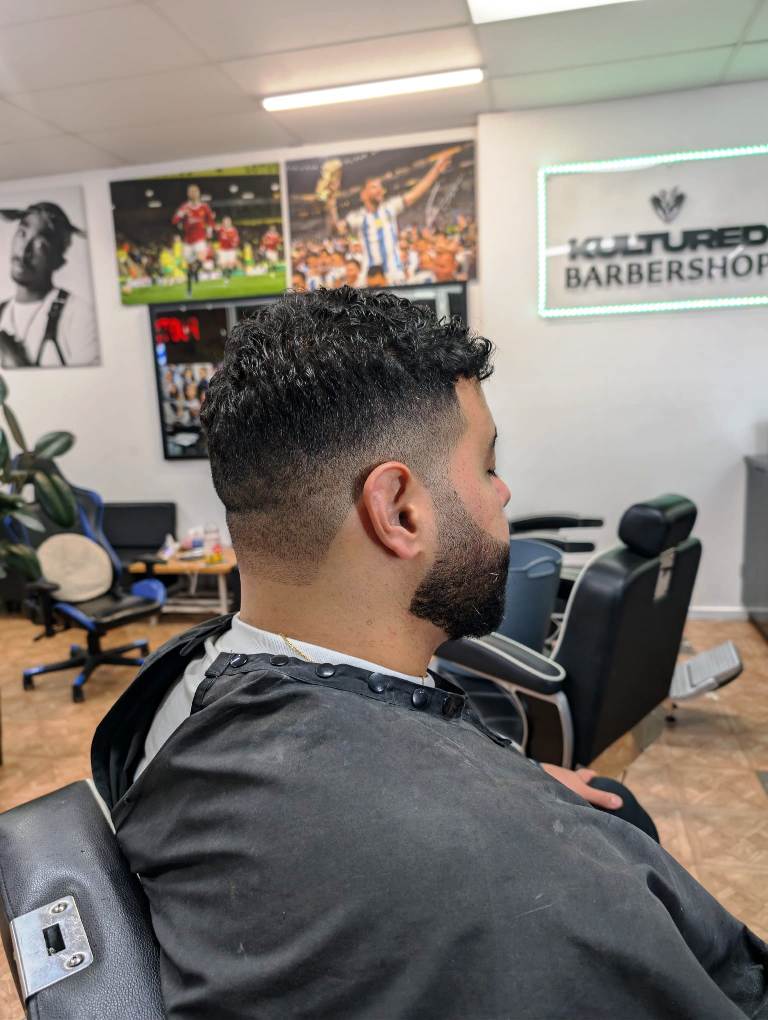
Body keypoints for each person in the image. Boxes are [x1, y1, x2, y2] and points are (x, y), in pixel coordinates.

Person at [92, 288, 768, 1020]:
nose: (503, 492)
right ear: (399, 511)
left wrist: (492, 784)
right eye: (487, 465)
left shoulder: (181, 681)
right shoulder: (509, 877)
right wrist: (499, 817)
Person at [326, 151, 453, 285]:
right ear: (363, 194)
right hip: (369, 277)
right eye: (374, 187)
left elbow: (415, 193)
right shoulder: (357, 217)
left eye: (380, 187)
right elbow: (337, 229)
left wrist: (436, 169)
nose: (379, 190)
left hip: (394, 275)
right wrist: (331, 203)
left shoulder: (390, 208)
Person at [0, 202, 98, 368]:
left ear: (58, 261)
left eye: (41, 244)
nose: (24, 250)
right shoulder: (2, 311)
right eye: (22, 233)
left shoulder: (79, 315)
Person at [171, 184, 215, 297]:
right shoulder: (184, 207)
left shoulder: (204, 207)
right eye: (191, 191)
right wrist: (181, 214)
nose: (193, 193)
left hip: (200, 239)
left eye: (195, 191)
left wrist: (209, 233)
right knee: (190, 266)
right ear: (188, 194)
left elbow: (210, 221)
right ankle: (190, 288)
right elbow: (174, 221)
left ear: (199, 193)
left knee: (201, 258)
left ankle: (194, 273)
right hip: (188, 241)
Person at [215, 215, 239, 281]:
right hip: (222, 249)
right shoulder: (221, 229)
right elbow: (215, 227)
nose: (226, 223)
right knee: (223, 265)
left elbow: (236, 239)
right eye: (225, 221)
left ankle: (228, 275)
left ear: (230, 222)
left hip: (231, 250)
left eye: (228, 221)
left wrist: (234, 243)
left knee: (231, 265)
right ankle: (225, 275)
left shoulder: (233, 230)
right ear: (223, 222)